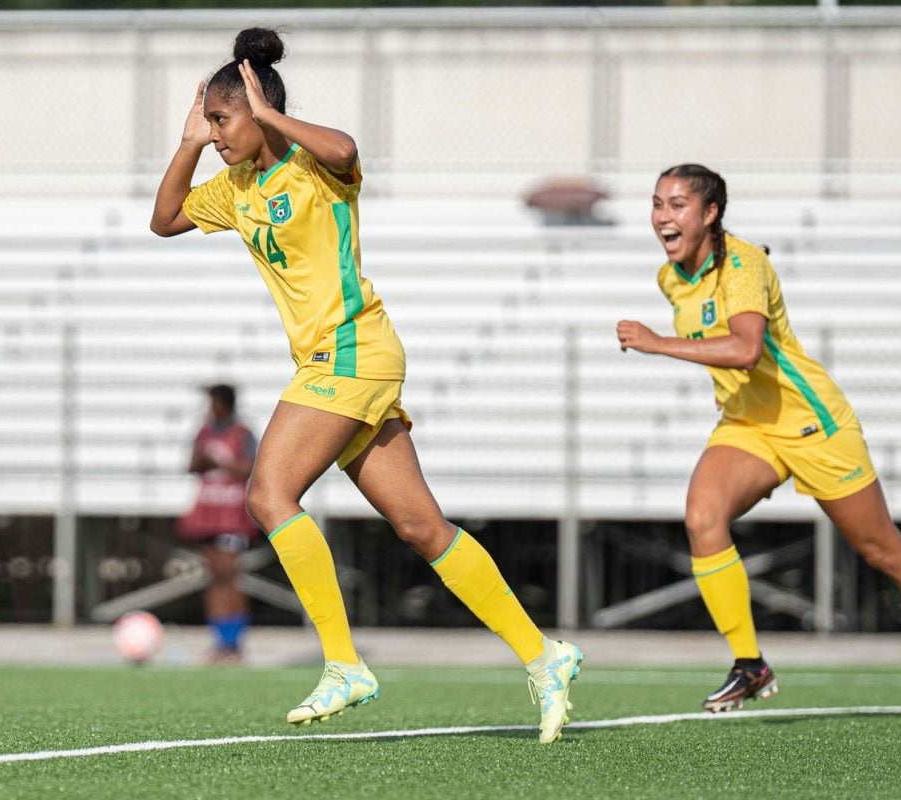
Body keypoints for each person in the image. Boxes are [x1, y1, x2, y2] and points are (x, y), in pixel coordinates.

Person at [150, 27, 582, 743]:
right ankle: (544, 655)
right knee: (421, 527)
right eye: (214, 122)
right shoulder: (235, 188)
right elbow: (163, 220)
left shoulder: (313, 167)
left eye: (224, 120)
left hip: (351, 351)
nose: (218, 134)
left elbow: (347, 150)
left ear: (257, 112)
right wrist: (192, 142)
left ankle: (344, 662)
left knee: (267, 493)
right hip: (344, 364)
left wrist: (270, 116)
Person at [616, 163, 901, 724]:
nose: (662, 216)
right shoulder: (671, 276)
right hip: (750, 425)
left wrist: (659, 344)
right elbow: (722, 347)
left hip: (811, 424)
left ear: (710, 214)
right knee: (702, 517)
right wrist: (724, 387)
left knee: (885, 552)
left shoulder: (743, 264)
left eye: (677, 205)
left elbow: (748, 348)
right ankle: (750, 663)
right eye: (657, 203)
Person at [177, 383, 259, 664]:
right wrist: (200, 459)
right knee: (213, 575)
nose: (210, 408)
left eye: (213, 402)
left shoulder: (243, 433)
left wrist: (219, 463)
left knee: (229, 574)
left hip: (231, 513)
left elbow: (250, 468)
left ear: (226, 404)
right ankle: (219, 640)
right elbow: (191, 466)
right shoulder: (204, 432)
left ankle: (234, 642)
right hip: (206, 512)